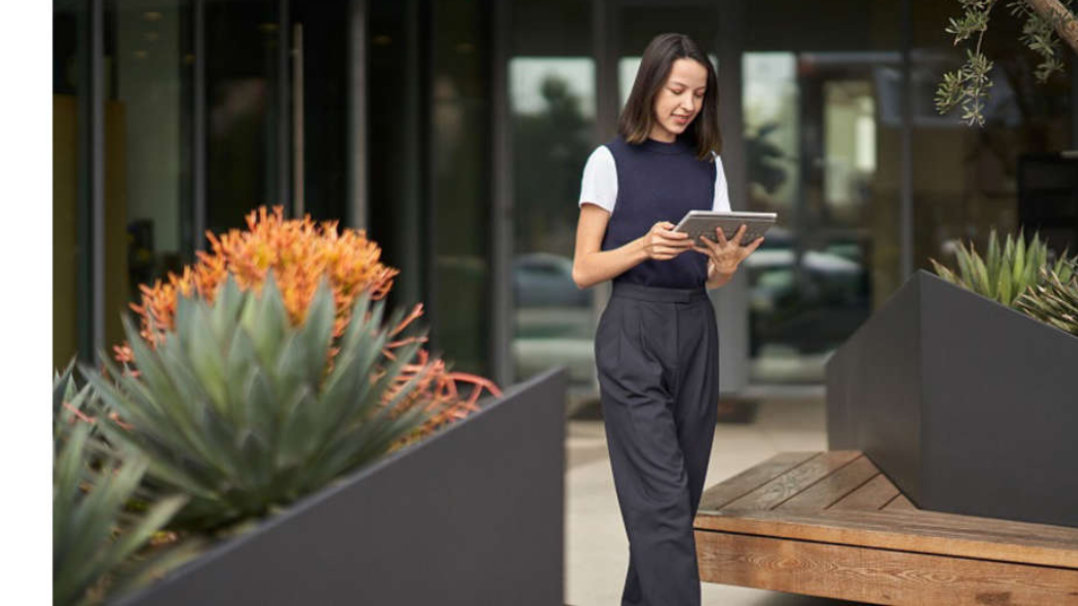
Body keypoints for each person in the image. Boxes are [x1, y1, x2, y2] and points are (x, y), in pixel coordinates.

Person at [571, 33, 763, 606]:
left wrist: (726, 266)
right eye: (677, 90)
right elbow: (583, 268)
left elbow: (710, 275)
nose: (687, 104)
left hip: (696, 329)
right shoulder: (610, 161)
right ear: (650, 87)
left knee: (675, 507)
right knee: (660, 506)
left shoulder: (709, 166)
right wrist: (641, 247)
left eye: (698, 95)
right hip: (633, 328)